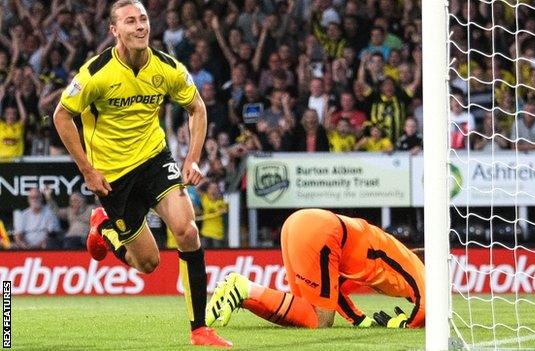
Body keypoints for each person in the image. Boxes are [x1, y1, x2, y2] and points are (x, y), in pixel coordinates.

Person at [52, 1, 230, 347]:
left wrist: (192, 159)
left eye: (144, 19)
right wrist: (87, 170)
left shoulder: (167, 68)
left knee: (186, 230)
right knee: (146, 263)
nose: (140, 26)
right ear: (114, 30)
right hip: (113, 176)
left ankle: (200, 329)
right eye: (130, 21)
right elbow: (61, 115)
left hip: (154, 160)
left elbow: (197, 107)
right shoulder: (96, 73)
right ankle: (102, 226)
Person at [206, 209, 425, 329]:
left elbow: (337, 289)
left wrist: (360, 320)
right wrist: (408, 324)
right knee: (320, 321)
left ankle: (241, 294)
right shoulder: (415, 267)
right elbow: (427, 304)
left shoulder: (381, 266)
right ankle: (246, 287)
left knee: (303, 311)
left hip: (299, 223)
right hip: (322, 232)